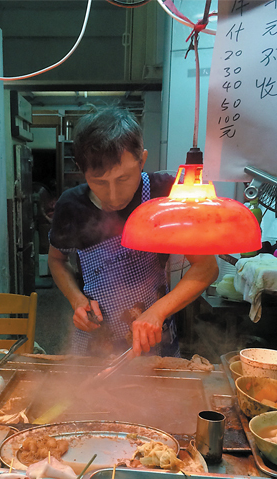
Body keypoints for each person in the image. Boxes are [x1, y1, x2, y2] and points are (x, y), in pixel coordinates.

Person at [48, 106, 218, 357]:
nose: (114, 196)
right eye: (100, 182)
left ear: (142, 160)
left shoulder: (167, 195)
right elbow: (56, 260)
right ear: (80, 169)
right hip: (97, 341)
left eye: (124, 179)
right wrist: (77, 300)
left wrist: (157, 312)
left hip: (154, 337)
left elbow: (206, 267)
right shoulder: (71, 206)